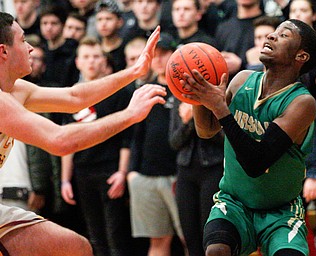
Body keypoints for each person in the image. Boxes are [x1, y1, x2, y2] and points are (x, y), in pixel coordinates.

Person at [0, 12, 164, 255]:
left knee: (75, 247)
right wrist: (130, 115)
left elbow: (74, 98)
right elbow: (59, 141)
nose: (31, 48)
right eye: (23, 40)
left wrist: (134, 71)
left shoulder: (14, 90)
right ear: (3, 51)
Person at [180, 19, 316, 255]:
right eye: (273, 32)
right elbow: (206, 131)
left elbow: (256, 163)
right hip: (234, 203)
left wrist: (221, 110)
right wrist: (199, 96)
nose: (271, 36)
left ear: (301, 56)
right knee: (216, 250)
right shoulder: (242, 80)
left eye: (284, 35)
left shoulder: (301, 102)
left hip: (280, 211)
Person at [61, 36, 133, 256]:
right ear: (78, 62)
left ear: (104, 60)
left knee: (116, 234)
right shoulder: (70, 94)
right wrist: (65, 179)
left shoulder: (118, 91)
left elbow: (127, 138)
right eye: (86, 57)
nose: (91, 61)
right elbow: (65, 138)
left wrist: (122, 172)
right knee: (94, 236)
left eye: (96, 56)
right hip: (83, 171)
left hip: (110, 170)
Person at [127, 32, 184, 256]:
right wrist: (132, 172)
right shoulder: (145, 90)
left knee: (190, 237)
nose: (159, 60)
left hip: (178, 176)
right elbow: (135, 135)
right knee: (158, 241)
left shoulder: (185, 89)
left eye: (164, 54)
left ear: (174, 55)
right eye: (155, 55)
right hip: (146, 175)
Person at [169, 99, 224, 256]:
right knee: (189, 236)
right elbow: (174, 142)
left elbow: (226, 139)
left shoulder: (218, 98)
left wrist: (198, 116)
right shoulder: (179, 101)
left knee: (210, 236)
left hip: (214, 170)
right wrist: (188, 122)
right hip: (185, 172)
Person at [95, 0, 127, 72]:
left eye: (108, 19)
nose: (103, 24)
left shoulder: (126, 49)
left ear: (120, 22)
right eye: (99, 19)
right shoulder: (94, 49)